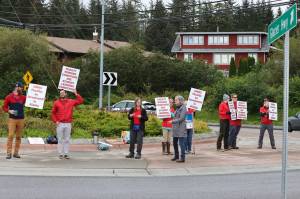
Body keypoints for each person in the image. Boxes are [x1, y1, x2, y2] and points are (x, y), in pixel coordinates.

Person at [51, 89, 84, 159]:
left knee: (67, 139)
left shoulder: (71, 101)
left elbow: (81, 101)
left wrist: (76, 94)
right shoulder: (56, 102)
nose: (61, 94)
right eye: (60, 93)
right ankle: (60, 154)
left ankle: (66, 153)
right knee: (59, 139)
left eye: (63, 93)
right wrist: (55, 121)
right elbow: (53, 113)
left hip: (68, 123)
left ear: (66, 94)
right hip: (60, 123)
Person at [2, 82, 26, 159]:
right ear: (17, 87)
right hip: (12, 119)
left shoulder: (23, 97)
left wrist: (41, 100)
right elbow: (4, 107)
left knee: (18, 137)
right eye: (21, 88)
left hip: (21, 119)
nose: (22, 89)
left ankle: (16, 153)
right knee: (11, 135)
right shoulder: (9, 97)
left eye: (22, 88)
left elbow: (32, 102)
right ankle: (9, 153)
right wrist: (9, 111)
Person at [171, 96, 187, 163]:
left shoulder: (183, 108)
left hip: (181, 128)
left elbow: (181, 118)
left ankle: (182, 158)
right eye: (175, 100)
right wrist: (169, 113)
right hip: (175, 129)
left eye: (176, 100)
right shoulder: (177, 108)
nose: (175, 102)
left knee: (181, 144)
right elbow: (174, 116)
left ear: (180, 101)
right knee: (174, 143)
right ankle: (176, 156)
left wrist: (172, 121)